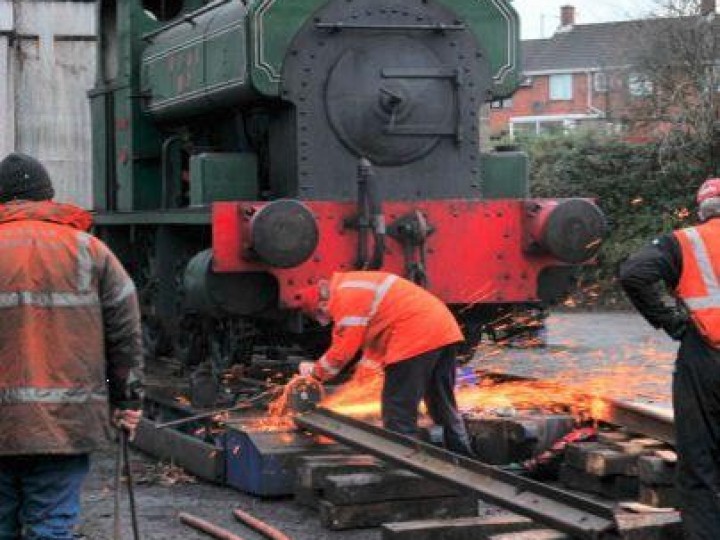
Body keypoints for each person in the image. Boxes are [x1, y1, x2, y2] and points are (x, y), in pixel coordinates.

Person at [0, 153, 143, 540]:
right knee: (52, 527)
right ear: (49, 198)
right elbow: (126, 331)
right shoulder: (90, 251)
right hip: (65, 424)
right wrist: (128, 401)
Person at [619, 177, 720, 539]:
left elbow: (634, 273)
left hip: (706, 355)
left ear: (702, 209)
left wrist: (672, 322)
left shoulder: (685, 241)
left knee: (700, 460)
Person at [296, 270, 474, 456]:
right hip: (443, 331)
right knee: (441, 402)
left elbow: (342, 352)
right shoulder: (355, 290)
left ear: (323, 303)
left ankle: (405, 463)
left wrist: (315, 375)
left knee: (398, 409)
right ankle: (463, 455)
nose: (331, 318)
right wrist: (357, 387)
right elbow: (372, 353)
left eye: (324, 314)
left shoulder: (345, 298)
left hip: (415, 336)